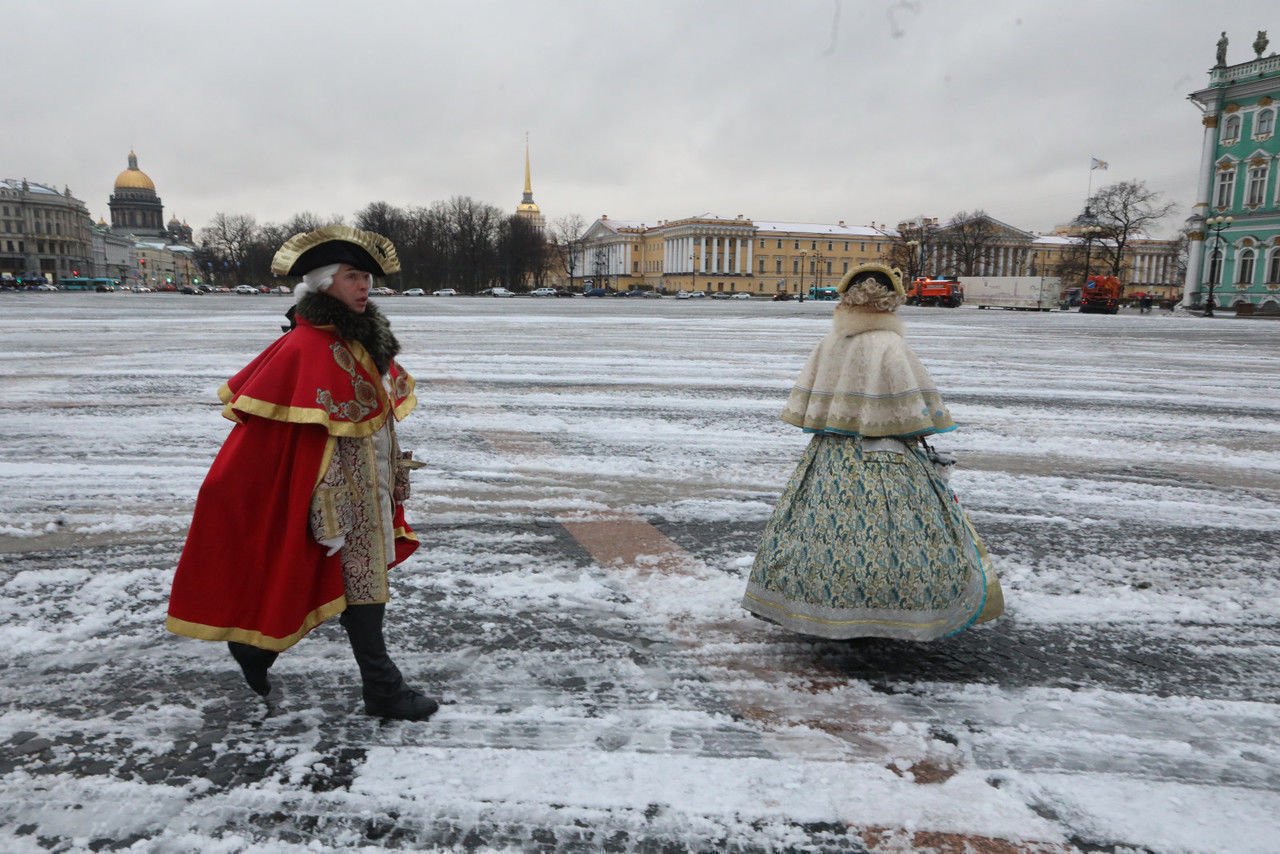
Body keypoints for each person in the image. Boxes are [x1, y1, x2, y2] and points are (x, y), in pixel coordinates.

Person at [166, 224, 438, 720]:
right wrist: (323, 507)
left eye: (366, 278)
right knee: (356, 586)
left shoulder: (365, 340)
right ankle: (382, 688)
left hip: (370, 492)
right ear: (322, 282)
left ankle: (261, 650)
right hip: (333, 502)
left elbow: (375, 420)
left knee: (358, 588)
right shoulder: (303, 348)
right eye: (353, 276)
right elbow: (289, 445)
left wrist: (394, 477)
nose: (364, 287)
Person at [743, 262, 1003, 641]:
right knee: (897, 536)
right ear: (891, 302)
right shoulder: (890, 344)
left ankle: (816, 604)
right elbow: (914, 413)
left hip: (831, 457)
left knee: (819, 531)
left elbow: (810, 409)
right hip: (889, 457)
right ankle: (893, 610)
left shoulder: (830, 343)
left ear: (846, 298)